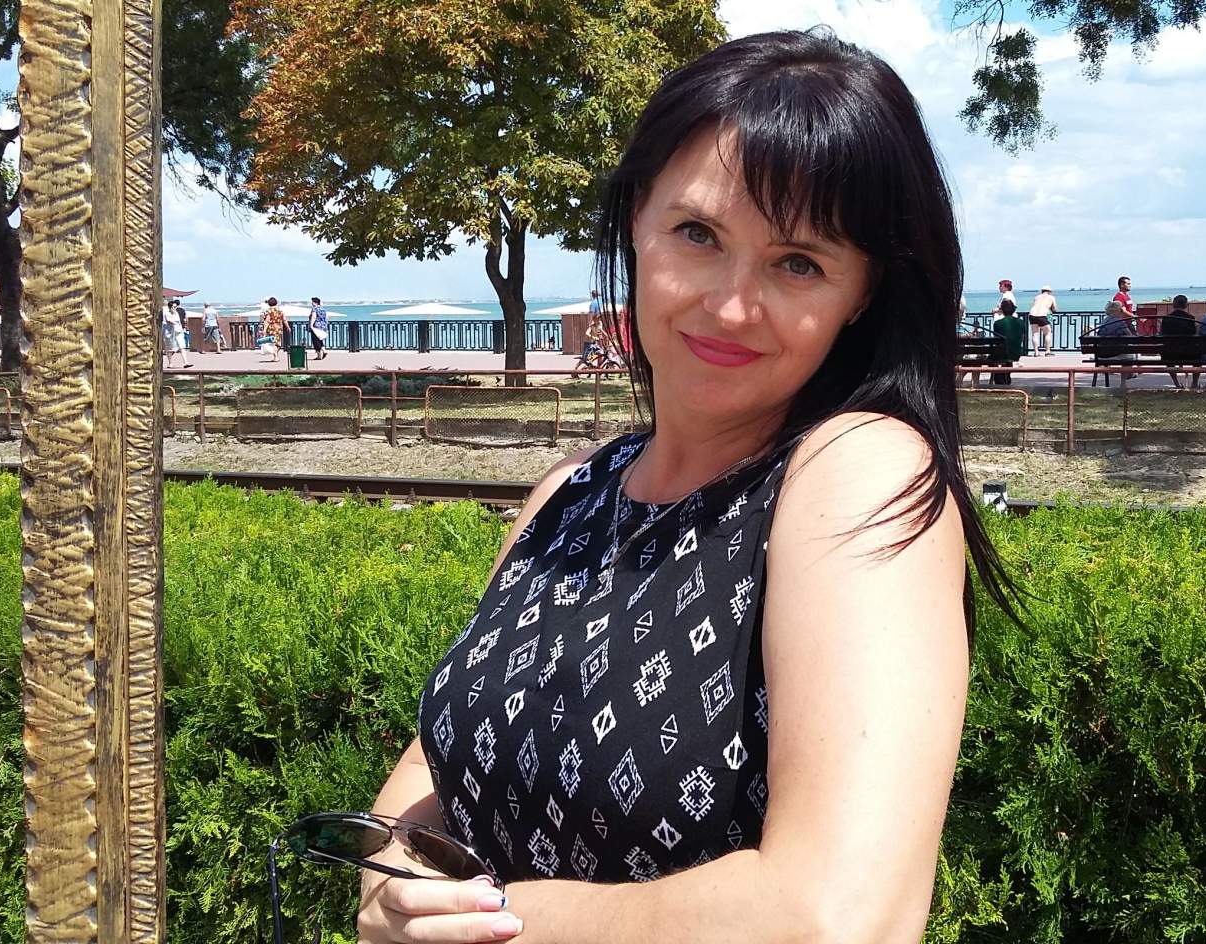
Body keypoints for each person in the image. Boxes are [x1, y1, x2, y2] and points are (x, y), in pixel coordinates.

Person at [355, 29, 1019, 944]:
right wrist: (388, 881)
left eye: (799, 263)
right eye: (698, 234)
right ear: (637, 222)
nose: (731, 305)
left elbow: (839, 918)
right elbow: (432, 775)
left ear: (862, 294)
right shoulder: (568, 496)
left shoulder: (858, 474)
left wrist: (489, 925)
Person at [1160, 294, 1198, 388]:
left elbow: (1162, 334)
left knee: (1168, 357)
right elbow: (1194, 334)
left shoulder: (1166, 319)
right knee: (1198, 357)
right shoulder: (1190, 318)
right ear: (1186, 305)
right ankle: (1194, 383)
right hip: (1189, 354)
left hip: (1170, 354)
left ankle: (1176, 383)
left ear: (1173, 305)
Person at [989, 297, 1025, 384]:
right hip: (1016, 353)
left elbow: (996, 339)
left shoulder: (997, 323)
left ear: (1002, 310)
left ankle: (999, 376)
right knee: (1005, 352)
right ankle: (1005, 375)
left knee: (996, 354)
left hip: (1002, 353)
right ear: (1013, 310)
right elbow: (1023, 337)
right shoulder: (1020, 322)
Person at [1026, 286, 1057, 355]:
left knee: (1034, 334)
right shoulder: (1051, 297)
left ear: (1042, 291)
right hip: (1043, 315)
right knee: (1047, 333)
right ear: (1049, 292)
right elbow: (1054, 308)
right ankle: (1047, 351)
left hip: (1032, 315)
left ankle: (1036, 352)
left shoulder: (1037, 297)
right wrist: (1051, 310)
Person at [162, 300, 190, 368]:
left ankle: (186, 362)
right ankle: (170, 363)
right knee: (170, 349)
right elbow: (169, 320)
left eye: (176, 307)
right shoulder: (167, 313)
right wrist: (175, 322)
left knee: (182, 347)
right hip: (170, 333)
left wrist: (182, 327)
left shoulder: (176, 313)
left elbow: (179, 321)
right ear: (170, 307)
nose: (175, 308)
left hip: (178, 332)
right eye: (174, 307)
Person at [259, 297, 287, 362]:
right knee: (278, 343)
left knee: (273, 343)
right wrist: (288, 327)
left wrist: (264, 330)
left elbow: (267, 321)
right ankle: (276, 356)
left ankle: (276, 357)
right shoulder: (279, 311)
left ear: (269, 304)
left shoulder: (268, 311)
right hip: (278, 328)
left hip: (271, 328)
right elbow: (284, 320)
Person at [309, 296, 331, 360]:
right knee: (320, 340)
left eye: (312, 302)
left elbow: (314, 317)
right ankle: (323, 351)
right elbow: (326, 318)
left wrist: (311, 325)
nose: (312, 303)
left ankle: (320, 355)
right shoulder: (323, 310)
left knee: (315, 341)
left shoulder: (314, 309)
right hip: (323, 327)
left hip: (316, 327)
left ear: (316, 303)